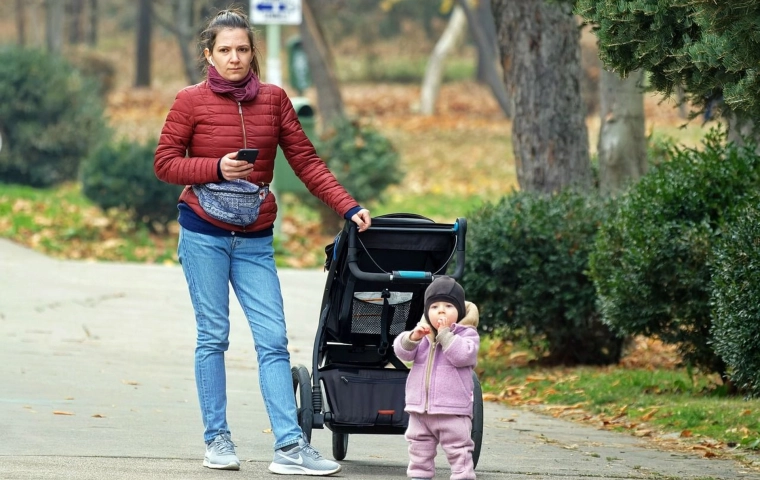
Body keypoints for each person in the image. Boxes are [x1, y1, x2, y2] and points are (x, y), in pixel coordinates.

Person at [154, 8, 371, 476]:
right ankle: (217, 440)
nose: (235, 58)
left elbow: (306, 161)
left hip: (254, 237)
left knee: (273, 339)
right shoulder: (189, 101)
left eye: (243, 49)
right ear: (208, 55)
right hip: (204, 233)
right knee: (213, 336)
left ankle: (290, 447)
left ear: (254, 53)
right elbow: (166, 163)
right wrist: (215, 168)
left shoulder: (273, 100)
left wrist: (348, 206)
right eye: (225, 50)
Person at [392, 276, 480, 480]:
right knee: (418, 449)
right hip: (420, 410)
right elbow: (403, 353)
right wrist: (412, 338)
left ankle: (463, 476)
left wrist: (445, 335)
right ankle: (419, 477)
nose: (441, 311)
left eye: (448, 306)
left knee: (459, 449)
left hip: (453, 410)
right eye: (434, 307)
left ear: (460, 311)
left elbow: (463, 356)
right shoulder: (423, 335)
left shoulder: (467, 334)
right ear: (426, 311)